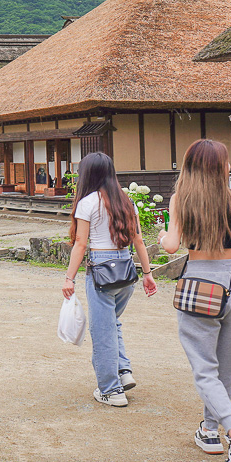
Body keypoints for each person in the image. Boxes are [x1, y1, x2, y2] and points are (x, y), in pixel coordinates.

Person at [159, 139, 231, 462]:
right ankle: (209, 430)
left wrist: (162, 234)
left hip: (200, 286)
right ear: (221, 167)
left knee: (205, 370)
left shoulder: (181, 199)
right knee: (226, 366)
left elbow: (170, 246)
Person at [62, 152, 156, 407]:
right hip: (126, 271)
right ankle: (123, 373)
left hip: (102, 271)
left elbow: (81, 243)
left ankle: (111, 390)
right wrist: (148, 275)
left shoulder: (88, 202)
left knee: (102, 330)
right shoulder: (127, 202)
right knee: (112, 323)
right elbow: (138, 240)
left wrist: (69, 278)